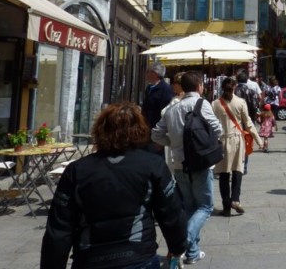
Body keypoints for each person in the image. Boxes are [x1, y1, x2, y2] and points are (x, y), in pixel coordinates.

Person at [41, 102, 187, 269]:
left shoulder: (77, 171)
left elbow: (59, 229)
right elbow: (171, 212)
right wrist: (177, 246)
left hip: (91, 258)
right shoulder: (152, 165)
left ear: (100, 130)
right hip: (138, 256)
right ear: (139, 130)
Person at [151, 71, 222, 265]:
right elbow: (218, 129)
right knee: (205, 206)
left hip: (179, 165)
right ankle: (181, 245)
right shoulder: (202, 104)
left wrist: (174, 143)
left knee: (189, 207)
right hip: (200, 163)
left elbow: (155, 134)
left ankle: (193, 252)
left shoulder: (172, 109)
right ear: (199, 86)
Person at [213, 77, 261, 217]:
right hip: (238, 140)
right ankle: (235, 199)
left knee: (223, 175)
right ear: (234, 87)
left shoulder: (215, 104)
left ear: (222, 88)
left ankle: (226, 207)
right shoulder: (241, 102)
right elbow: (248, 124)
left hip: (222, 141)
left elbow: (211, 124)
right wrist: (259, 140)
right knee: (237, 171)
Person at [142, 62, 173, 150]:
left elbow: (166, 114)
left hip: (157, 132)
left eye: (148, 71)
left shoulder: (165, 89)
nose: (146, 74)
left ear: (155, 73)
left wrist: (161, 138)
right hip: (147, 130)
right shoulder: (149, 88)